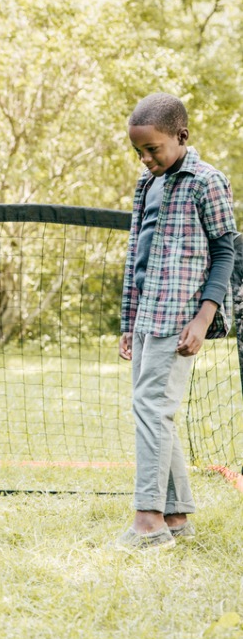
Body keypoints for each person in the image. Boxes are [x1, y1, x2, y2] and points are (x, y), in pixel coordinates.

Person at [117, 93, 237, 551]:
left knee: (152, 410)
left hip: (180, 316)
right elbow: (137, 258)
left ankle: (147, 522)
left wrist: (204, 317)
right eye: (140, 152)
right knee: (152, 411)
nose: (147, 160)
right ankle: (176, 513)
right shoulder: (146, 185)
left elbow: (225, 252)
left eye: (154, 150)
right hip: (147, 315)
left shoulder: (208, 182)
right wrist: (129, 321)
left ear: (181, 137)